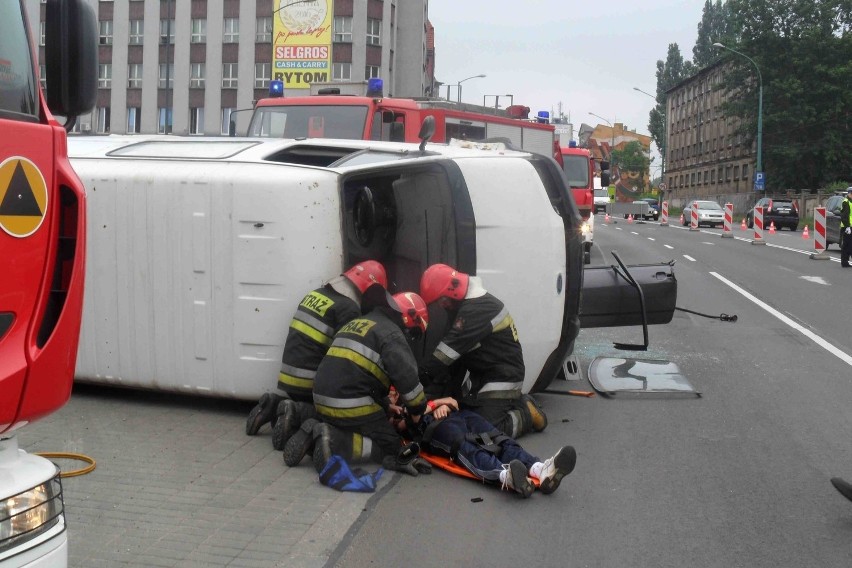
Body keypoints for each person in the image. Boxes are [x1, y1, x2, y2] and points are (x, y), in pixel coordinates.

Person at [245, 260, 388, 451]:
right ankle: (295, 411)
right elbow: (345, 358)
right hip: (308, 384)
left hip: (289, 378)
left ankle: (274, 403)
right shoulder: (349, 309)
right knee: (337, 413)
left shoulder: (316, 294)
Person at [287, 291, 433, 475]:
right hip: (349, 404)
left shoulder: (359, 322)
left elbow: (358, 375)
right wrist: (417, 411)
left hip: (321, 398)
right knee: (388, 444)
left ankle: (310, 425)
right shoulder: (393, 335)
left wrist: (386, 404)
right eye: (414, 331)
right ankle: (332, 440)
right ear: (410, 318)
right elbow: (408, 381)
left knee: (351, 422)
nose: (410, 336)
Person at [417, 263, 547, 439]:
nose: (442, 305)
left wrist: (415, 383)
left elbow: (444, 356)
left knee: (486, 433)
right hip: (483, 374)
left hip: (503, 377)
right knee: (464, 415)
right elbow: (453, 359)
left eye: (442, 300)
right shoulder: (463, 305)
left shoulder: (476, 309)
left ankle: (526, 414)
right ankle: (507, 405)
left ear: (452, 290)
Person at [389, 391, 576, 498]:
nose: (393, 393)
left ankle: (540, 469)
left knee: (496, 437)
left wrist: (442, 404)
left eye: (394, 390)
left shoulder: (420, 393)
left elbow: (453, 401)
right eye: (390, 393)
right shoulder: (396, 413)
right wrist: (432, 407)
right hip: (435, 429)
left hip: (458, 415)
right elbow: (409, 422)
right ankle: (506, 475)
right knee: (466, 446)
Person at [840, 187, 852, 268]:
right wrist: (847, 227)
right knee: (847, 245)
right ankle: (844, 262)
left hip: (851, 226)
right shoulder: (846, 202)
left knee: (849, 245)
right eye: (851, 193)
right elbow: (844, 216)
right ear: (848, 193)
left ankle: (845, 261)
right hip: (846, 227)